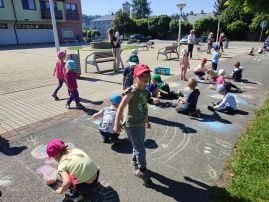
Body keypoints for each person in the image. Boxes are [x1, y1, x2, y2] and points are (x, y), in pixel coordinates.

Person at [113, 64, 153, 187]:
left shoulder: (146, 92)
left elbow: (145, 107)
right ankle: (142, 170)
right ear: (136, 77)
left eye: (148, 75)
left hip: (140, 123)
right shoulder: (132, 91)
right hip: (131, 125)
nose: (146, 78)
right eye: (142, 76)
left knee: (138, 145)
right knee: (141, 148)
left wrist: (147, 120)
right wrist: (116, 125)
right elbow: (120, 107)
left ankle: (135, 161)